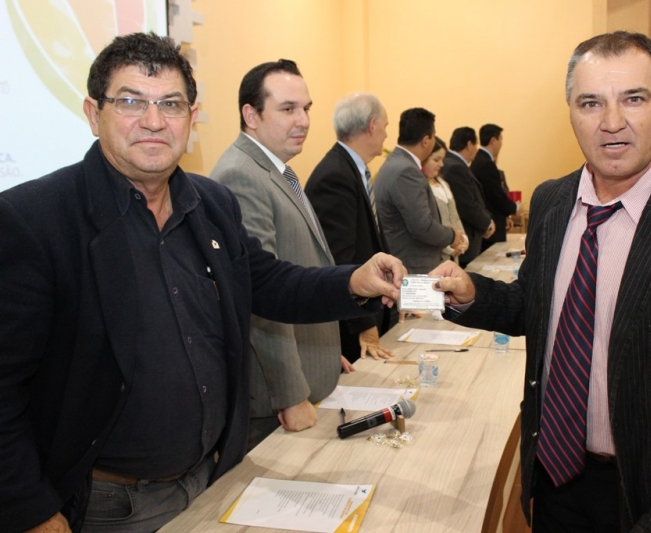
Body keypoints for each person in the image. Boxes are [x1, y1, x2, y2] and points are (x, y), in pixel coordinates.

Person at [0, 33, 405, 533]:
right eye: (130, 101)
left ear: (192, 117)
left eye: (170, 104)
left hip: (214, 479)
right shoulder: (35, 219)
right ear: (92, 112)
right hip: (107, 507)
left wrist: (353, 281)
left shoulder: (211, 203)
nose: (153, 121)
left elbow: (269, 283)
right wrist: (33, 512)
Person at [431, 31, 651, 532]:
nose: (612, 122)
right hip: (556, 486)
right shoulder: (552, 202)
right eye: (591, 103)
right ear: (570, 111)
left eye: (634, 99)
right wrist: (475, 294)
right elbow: (540, 307)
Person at [209, 60, 352, 450]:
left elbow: (303, 264)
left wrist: (325, 352)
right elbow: (260, 295)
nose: (303, 120)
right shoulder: (241, 175)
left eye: (306, 109)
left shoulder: (276, 169)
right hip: (275, 400)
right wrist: (290, 393)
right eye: (288, 109)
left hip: (308, 373)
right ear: (251, 115)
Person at [305, 93, 397, 364]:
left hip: (368, 309)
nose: (386, 134)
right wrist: (365, 325)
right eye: (385, 126)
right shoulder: (336, 175)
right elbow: (339, 259)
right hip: (351, 328)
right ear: (372, 126)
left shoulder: (350, 169)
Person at [372, 108, 464, 274]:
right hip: (413, 268)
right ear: (426, 140)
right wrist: (452, 235)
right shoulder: (406, 171)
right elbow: (422, 227)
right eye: (434, 136)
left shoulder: (395, 163)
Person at [440, 127, 495, 267]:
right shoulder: (455, 167)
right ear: (469, 144)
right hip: (463, 240)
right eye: (476, 145)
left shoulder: (455, 164)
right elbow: (466, 205)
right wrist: (487, 223)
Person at [471, 123, 518, 251]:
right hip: (491, 224)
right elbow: (496, 195)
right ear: (493, 140)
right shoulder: (486, 163)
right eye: (500, 139)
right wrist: (515, 207)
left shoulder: (480, 159)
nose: (501, 144)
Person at [422, 136, 467, 262]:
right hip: (435, 258)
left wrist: (463, 240)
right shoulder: (421, 187)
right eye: (436, 160)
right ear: (423, 159)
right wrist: (450, 246)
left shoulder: (443, 184)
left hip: (453, 255)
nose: (441, 164)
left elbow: (455, 217)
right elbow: (427, 226)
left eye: (442, 159)